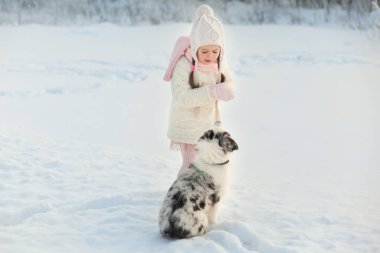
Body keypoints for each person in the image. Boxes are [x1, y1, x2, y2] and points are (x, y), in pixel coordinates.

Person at [164, 4, 235, 176]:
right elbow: (182, 97)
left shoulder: (219, 63)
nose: (210, 56)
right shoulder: (184, 64)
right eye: (204, 51)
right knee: (191, 165)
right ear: (195, 46)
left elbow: (229, 82)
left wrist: (228, 89)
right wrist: (212, 91)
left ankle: (200, 195)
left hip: (208, 124)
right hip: (186, 125)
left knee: (206, 166)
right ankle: (180, 198)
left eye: (215, 51)